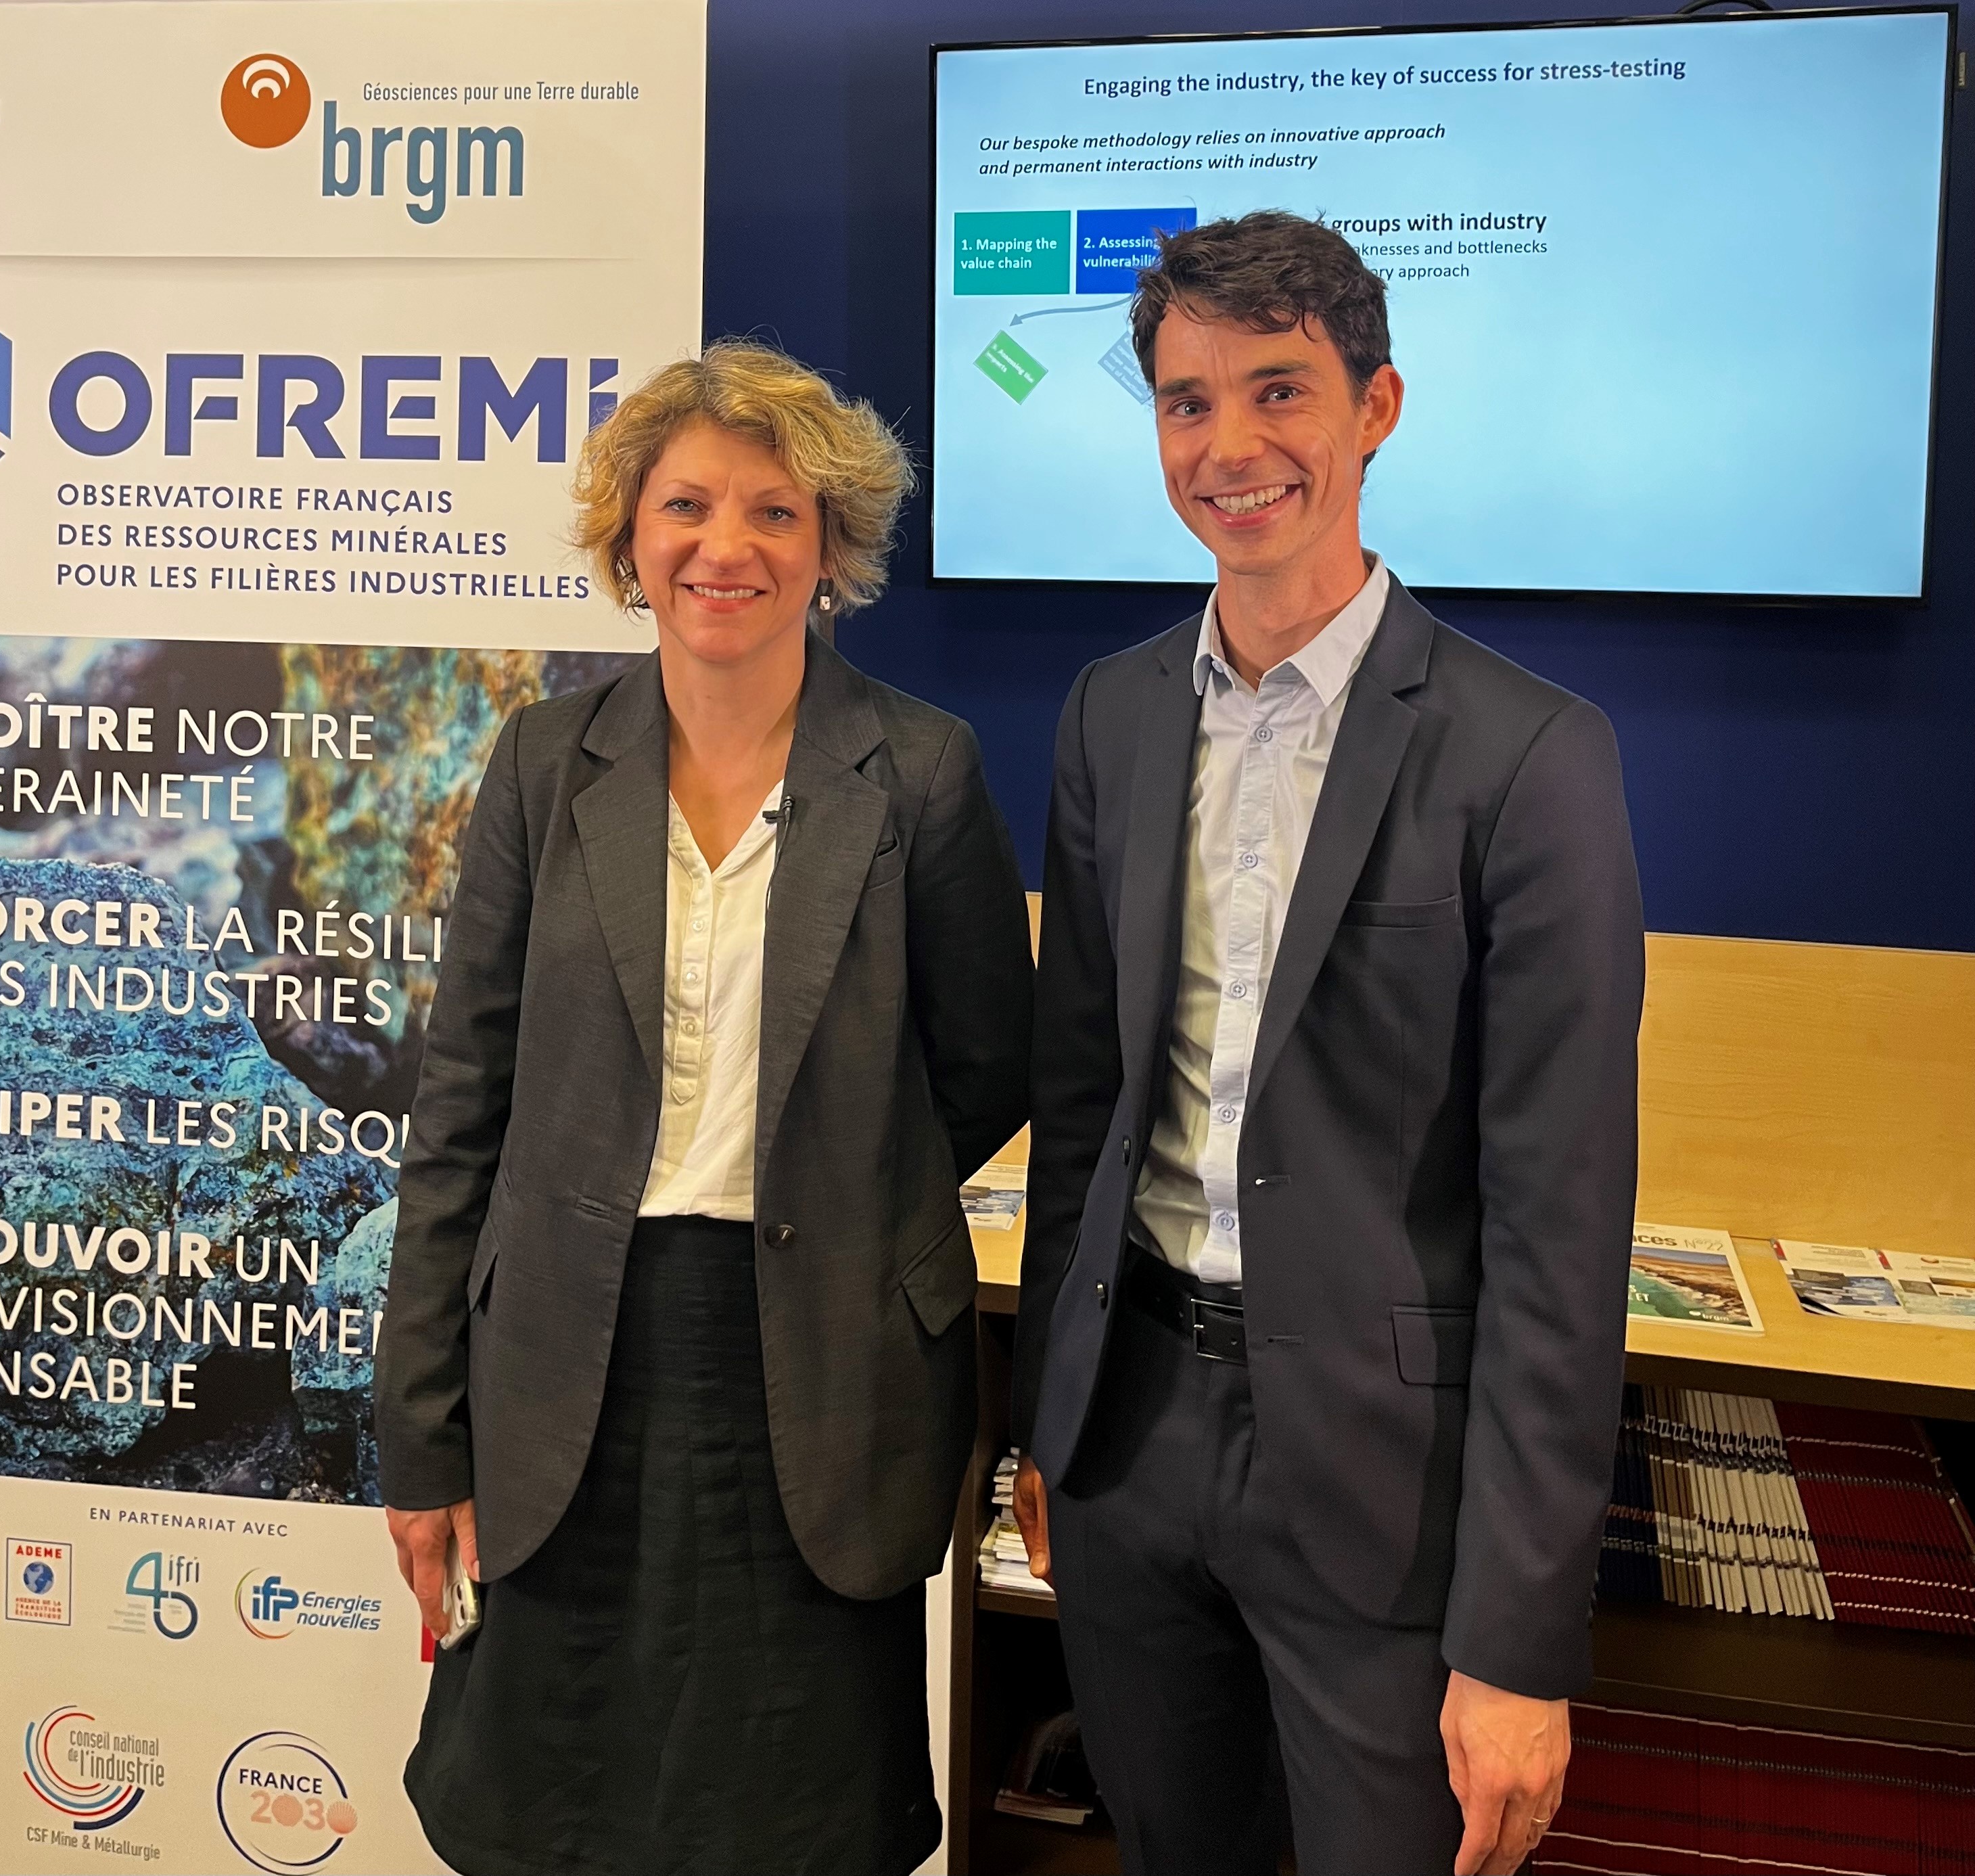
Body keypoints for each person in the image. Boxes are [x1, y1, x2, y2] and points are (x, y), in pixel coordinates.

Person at [1010, 210, 1644, 1876]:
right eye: (1187, 401)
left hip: (1385, 1481)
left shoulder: (1530, 756)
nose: (1230, 445)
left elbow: (1562, 1232)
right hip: (1130, 1439)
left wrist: (1520, 1639)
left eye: (1279, 390)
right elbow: (1083, 1106)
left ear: (1377, 407)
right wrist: (1046, 1425)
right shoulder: (1110, 716)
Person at [375, 340, 1033, 1876]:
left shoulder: (921, 771)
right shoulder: (543, 764)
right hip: (565, 1367)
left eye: (773, 512)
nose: (724, 546)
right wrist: (421, 1438)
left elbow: (988, 1065)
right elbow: (461, 1110)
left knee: (797, 1815)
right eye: (685, 505)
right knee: (543, 1808)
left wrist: (838, 1169)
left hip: (822, 1368)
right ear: (630, 535)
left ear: (830, 547)